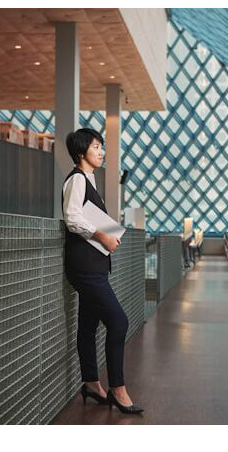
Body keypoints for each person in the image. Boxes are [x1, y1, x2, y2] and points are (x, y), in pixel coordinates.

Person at [62, 127, 143, 414]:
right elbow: (72, 218)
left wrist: (110, 233)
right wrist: (103, 236)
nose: (101, 151)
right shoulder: (77, 180)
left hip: (92, 265)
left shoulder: (88, 182)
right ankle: (117, 388)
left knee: (87, 325)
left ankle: (91, 384)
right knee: (118, 322)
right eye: (96, 147)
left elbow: (85, 217)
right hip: (84, 267)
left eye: (101, 146)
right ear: (81, 151)